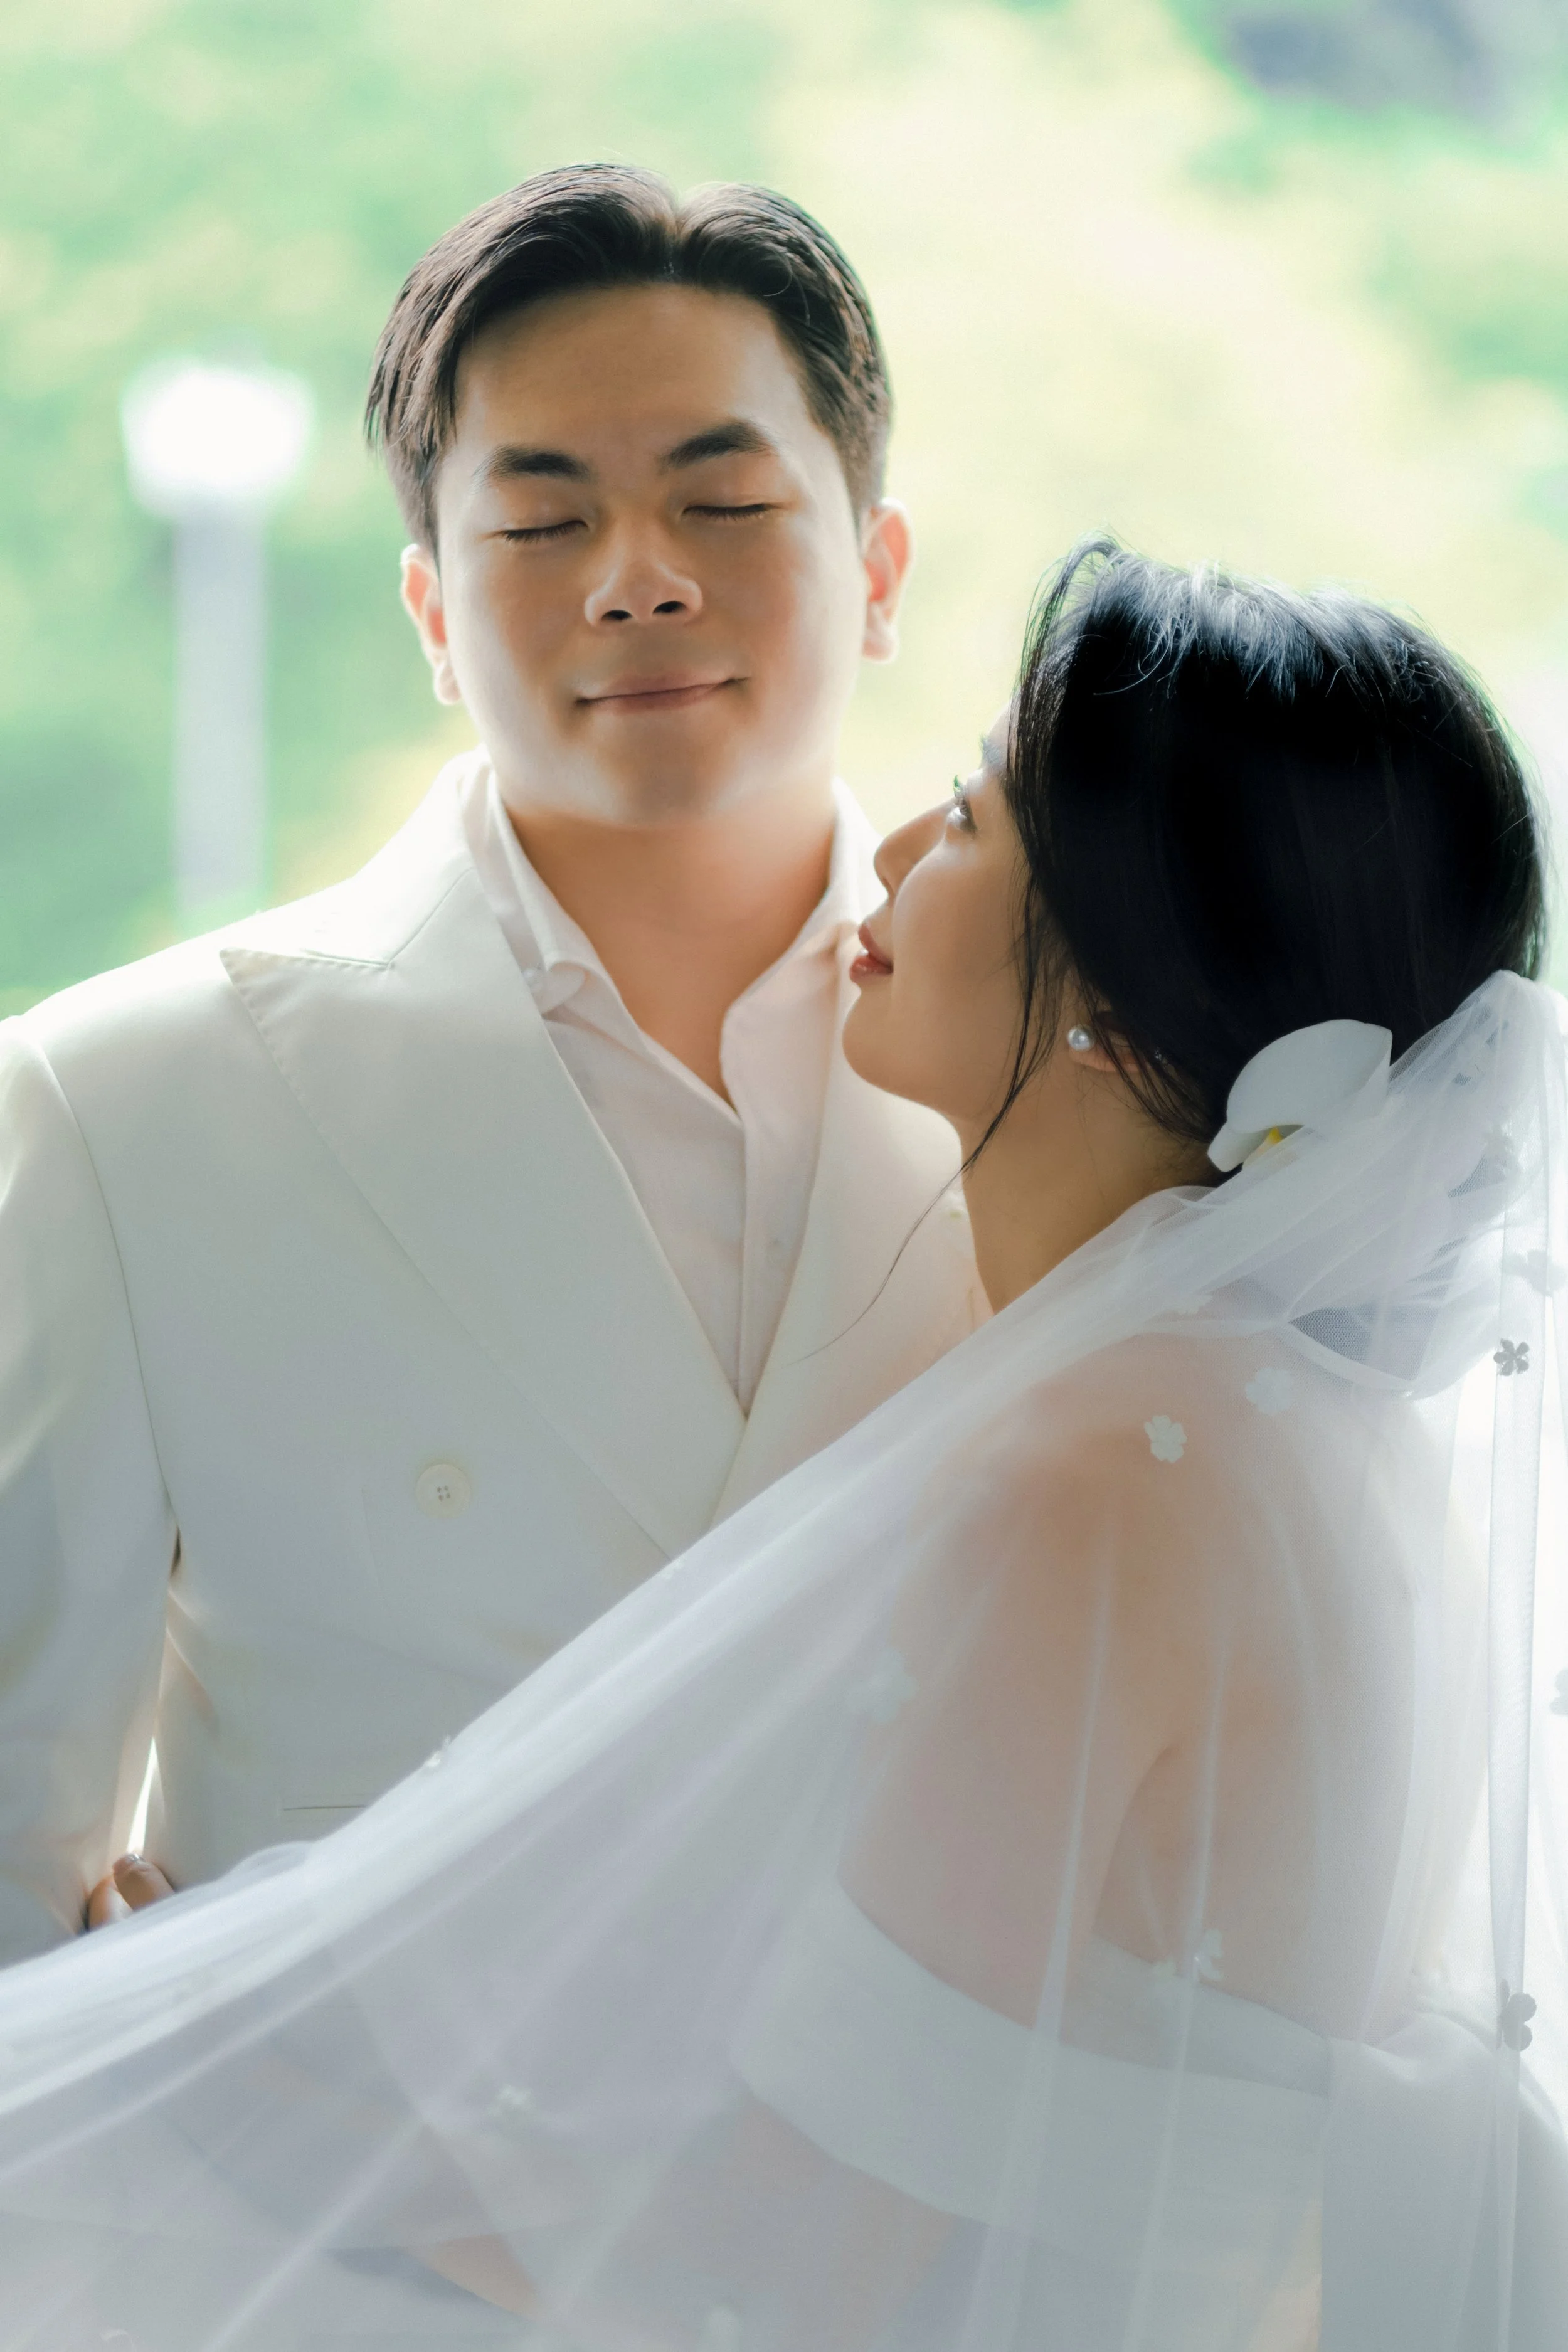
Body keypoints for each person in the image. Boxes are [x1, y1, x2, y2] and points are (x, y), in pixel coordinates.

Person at [1, 540, 1565, 2348]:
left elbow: (784, 2267)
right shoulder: (1319, 1436)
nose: (891, 849)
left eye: (970, 819)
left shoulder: (1094, 1475)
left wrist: (215, 2068)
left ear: (1120, 1015)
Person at [0, 166, 983, 1960]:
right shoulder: (123, 1106)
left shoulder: (1079, 1076)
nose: (640, 580)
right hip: (331, 2143)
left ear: (878, 572)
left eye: (725, 500)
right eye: (541, 523)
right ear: (434, 616)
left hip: (925, 2132)